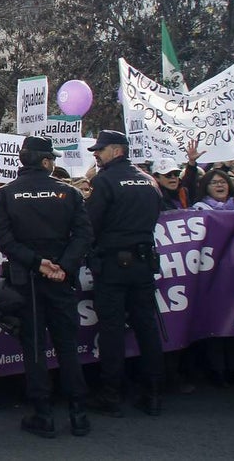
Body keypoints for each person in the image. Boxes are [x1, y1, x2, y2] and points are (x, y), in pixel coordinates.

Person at [0, 136, 93, 439]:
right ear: (46, 161)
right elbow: (84, 235)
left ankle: (43, 414)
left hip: (29, 280)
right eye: (53, 159)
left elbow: (4, 239)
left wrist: (38, 263)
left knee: (34, 347)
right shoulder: (69, 193)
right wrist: (63, 265)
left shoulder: (6, 194)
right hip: (59, 278)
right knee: (67, 345)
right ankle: (79, 414)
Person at [85, 130, 165, 417]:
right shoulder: (149, 180)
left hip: (113, 266)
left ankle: (111, 394)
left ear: (117, 150)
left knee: (112, 330)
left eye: (101, 150)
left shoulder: (105, 180)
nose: (97, 153)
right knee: (147, 327)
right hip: (144, 263)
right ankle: (154, 393)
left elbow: (90, 223)